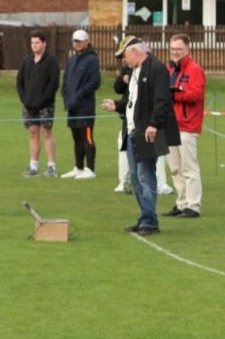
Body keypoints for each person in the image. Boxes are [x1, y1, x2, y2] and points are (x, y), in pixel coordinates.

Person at [101, 36, 180, 236]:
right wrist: (116, 105)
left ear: (136, 52)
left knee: (146, 176)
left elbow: (162, 100)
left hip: (150, 132)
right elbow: (131, 100)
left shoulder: (157, 68)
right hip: (132, 131)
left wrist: (154, 124)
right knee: (135, 178)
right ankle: (147, 217)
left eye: (124, 56)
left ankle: (149, 221)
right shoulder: (135, 70)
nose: (123, 61)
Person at [163, 33, 205, 219]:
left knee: (189, 167)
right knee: (175, 167)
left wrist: (174, 94)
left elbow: (196, 95)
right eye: (172, 49)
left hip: (187, 125)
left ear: (188, 49)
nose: (175, 52)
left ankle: (193, 206)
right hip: (171, 125)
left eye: (178, 49)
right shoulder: (170, 69)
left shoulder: (195, 69)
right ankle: (181, 203)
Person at [16, 30, 60, 177]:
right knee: (33, 134)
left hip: (45, 105)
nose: (34, 45)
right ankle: (33, 166)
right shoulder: (26, 61)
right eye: (32, 43)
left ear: (44, 44)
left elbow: (54, 84)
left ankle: (51, 167)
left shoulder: (51, 60)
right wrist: (25, 100)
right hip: (29, 105)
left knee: (46, 133)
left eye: (37, 42)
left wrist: (42, 101)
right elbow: (19, 82)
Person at [60, 29, 101, 180]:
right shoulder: (71, 60)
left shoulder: (92, 60)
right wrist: (66, 97)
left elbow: (95, 82)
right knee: (76, 137)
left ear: (86, 42)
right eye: (75, 41)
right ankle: (78, 167)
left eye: (79, 41)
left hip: (85, 106)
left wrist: (79, 95)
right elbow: (65, 82)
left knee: (87, 137)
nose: (76, 44)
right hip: (72, 106)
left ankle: (90, 168)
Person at [112, 63, 134, 194]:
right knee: (123, 144)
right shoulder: (126, 68)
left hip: (143, 119)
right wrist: (122, 78)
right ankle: (124, 180)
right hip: (127, 117)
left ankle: (159, 182)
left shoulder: (150, 67)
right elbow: (117, 88)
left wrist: (116, 105)